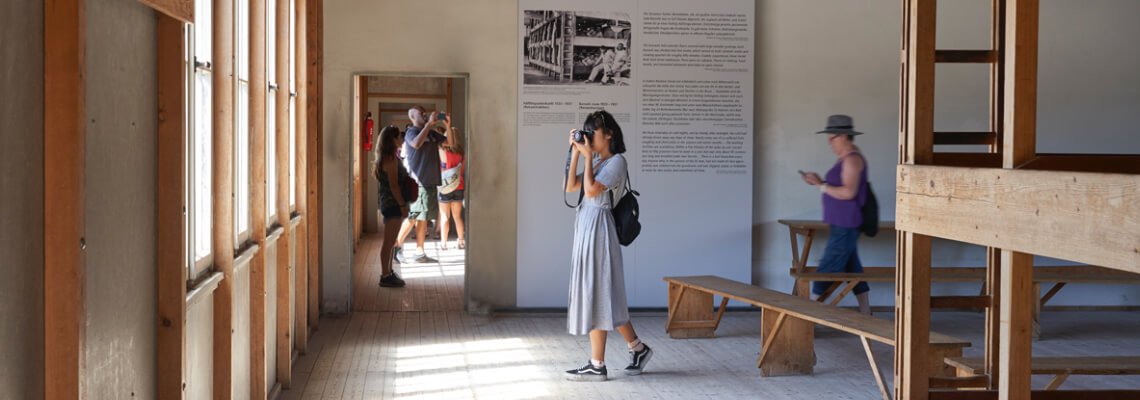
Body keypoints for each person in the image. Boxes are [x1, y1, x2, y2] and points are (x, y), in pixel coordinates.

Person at [562, 110, 652, 381]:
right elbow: (570, 187)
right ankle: (638, 348)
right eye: (586, 133)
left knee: (597, 291)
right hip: (587, 227)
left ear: (609, 134)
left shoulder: (616, 162)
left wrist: (588, 156)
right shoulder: (599, 162)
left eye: (593, 132)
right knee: (605, 293)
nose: (589, 137)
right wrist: (576, 152)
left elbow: (590, 191)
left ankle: (597, 364)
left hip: (600, 228)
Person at [800, 114, 872, 315]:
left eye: (831, 137)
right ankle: (866, 313)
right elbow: (837, 188)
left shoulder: (851, 160)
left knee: (828, 268)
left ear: (842, 136)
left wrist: (820, 185)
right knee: (852, 269)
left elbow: (849, 192)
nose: (829, 142)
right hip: (841, 223)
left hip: (846, 223)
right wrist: (819, 182)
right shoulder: (846, 159)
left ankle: (808, 316)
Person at [393, 106, 448, 263]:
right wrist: (429, 124)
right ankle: (395, 247)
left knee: (422, 218)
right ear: (412, 116)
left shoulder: (430, 132)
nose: (424, 115)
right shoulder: (412, 132)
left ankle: (419, 252)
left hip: (429, 182)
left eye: (425, 113)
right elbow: (416, 144)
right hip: (418, 183)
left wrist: (448, 125)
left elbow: (449, 142)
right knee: (414, 217)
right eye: (421, 113)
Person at [372, 125, 410, 288]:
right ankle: (385, 275)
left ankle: (388, 272)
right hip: (392, 204)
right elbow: (394, 185)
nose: (401, 139)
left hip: (388, 203)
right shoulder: (390, 159)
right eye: (399, 137)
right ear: (392, 140)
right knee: (389, 242)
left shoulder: (386, 157)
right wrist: (402, 205)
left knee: (391, 240)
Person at [437, 126, 466, 250]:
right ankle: (460, 242)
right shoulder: (462, 154)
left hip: (444, 187)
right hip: (458, 186)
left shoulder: (442, 151)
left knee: (445, 217)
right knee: (457, 216)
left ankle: (444, 244)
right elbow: (461, 171)